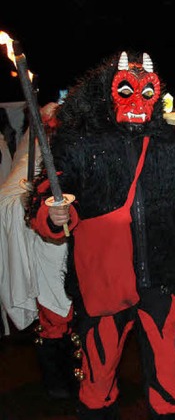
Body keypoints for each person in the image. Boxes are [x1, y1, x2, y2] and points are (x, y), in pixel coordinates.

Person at [25, 51, 175, 419]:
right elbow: (48, 198)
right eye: (127, 90)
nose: (138, 103)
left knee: (168, 382)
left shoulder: (166, 139)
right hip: (103, 280)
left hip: (160, 276)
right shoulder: (79, 142)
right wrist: (55, 213)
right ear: (106, 93)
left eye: (147, 94)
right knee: (98, 378)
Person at [0, 101, 75, 399]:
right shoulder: (28, 155)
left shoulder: (72, 154)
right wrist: (27, 200)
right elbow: (8, 197)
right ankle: (55, 378)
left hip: (72, 246)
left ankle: (75, 372)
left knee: (74, 311)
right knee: (52, 315)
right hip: (41, 245)